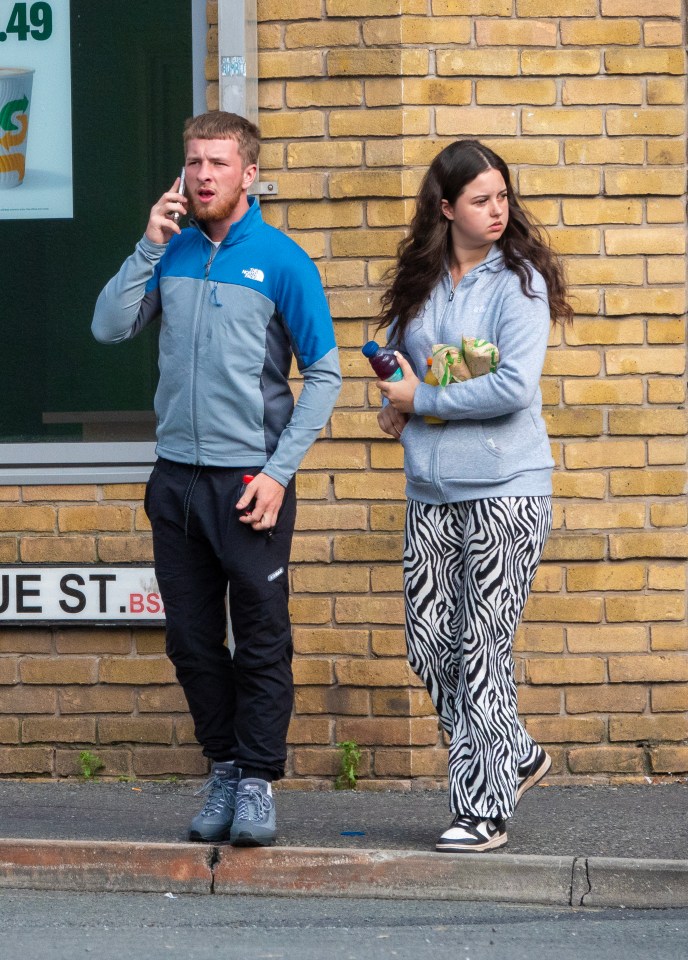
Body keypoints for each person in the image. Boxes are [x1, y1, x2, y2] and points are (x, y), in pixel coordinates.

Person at [92, 111, 341, 846]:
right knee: (192, 641)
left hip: (248, 482)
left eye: (218, 164)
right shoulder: (167, 254)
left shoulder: (283, 261)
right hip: (176, 480)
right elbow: (109, 327)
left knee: (262, 638)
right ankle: (225, 765)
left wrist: (276, 473)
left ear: (249, 174)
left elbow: (323, 374)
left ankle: (259, 781)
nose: (202, 176)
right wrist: (147, 242)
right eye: (194, 163)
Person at [375, 139, 572, 853]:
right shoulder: (421, 282)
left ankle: (482, 807)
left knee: (480, 646)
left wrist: (422, 395)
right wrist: (396, 403)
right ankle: (514, 750)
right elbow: (402, 365)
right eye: (482, 199)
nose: (498, 210)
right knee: (431, 645)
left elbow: (514, 387)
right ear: (446, 207)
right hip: (431, 488)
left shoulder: (520, 284)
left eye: (503, 197)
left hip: (506, 488)